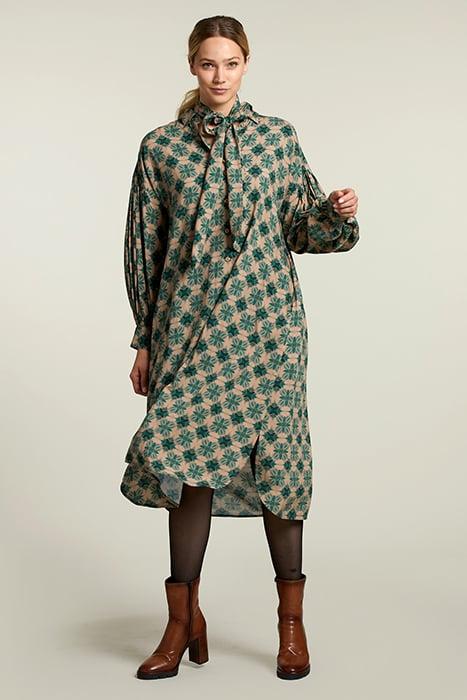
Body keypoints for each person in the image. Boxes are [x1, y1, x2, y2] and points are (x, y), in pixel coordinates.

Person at [120, 14, 359, 682]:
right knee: (187, 465)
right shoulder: (161, 147)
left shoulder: (277, 139)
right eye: (207, 64)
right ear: (191, 67)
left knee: (279, 465)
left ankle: (291, 627)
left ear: (245, 64)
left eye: (229, 63)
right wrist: (144, 340)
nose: (219, 76)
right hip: (189, 332)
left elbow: (302, 232)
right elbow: (144, 248)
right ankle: (182, 622)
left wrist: (335, 214)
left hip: (268, 333)